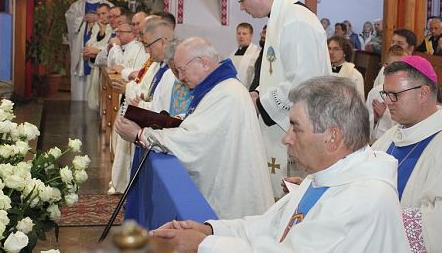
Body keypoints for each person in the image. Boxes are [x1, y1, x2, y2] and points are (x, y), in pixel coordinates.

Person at [150, 76, 411, 253]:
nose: (286, 139)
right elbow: (268, 226)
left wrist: (205, 244)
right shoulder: (323, 178)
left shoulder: (363, 198)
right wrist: (209, 228)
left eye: (296, 128)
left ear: (332, 137)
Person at [116, 37, 274, 219]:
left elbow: (194, 143)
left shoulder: (227, 93)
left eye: (182, 70)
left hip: (232, 200)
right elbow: (203, 121)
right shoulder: (220, 88)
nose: (181, 77)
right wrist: (180, 120)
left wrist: (140, 134)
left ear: (204, 63)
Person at [231, 0, 330, 198]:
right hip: (286, 123)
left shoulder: (295, 19)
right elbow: (276, 71)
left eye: (241, 1)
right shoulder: (279, 16)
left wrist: (261, 103)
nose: (242, 8)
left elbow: (304, 83)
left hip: (304, 128)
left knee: (292, 198)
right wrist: (257, 92)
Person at [372, 56, 442, 252]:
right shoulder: (392, 136)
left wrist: (383, 219)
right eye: (386, 94)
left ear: (423, 93)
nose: (388, 102)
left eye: (395, 95)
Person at [110, 20, 175, 194]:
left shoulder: (172, 71)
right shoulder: (159, 65)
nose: (146, 50)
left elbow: (169, 111)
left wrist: (143, 104)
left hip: (159, 138)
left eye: (148, 45)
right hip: (147, 132)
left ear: (163, 42)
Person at [65, 0, 111, 101]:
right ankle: (78, 100)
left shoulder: (107, 5)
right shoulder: (78, 5)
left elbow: (112, 22)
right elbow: (69, 17)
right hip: (81, 43)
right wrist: (82, 18)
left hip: (99, 45)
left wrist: (98, 17)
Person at [367, 45, 408, 142]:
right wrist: (376, 119)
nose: (399, 72)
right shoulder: (375, 93)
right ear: (385, 68)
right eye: (394, 67)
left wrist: (385, 116)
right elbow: (363, 127)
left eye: (403, 67)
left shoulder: (409, 93)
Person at [83, 3, 112, 110]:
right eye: (98, 14)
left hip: (107, 67)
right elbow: (90, 44)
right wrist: (101, 31)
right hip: (96, 67)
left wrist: (97, 50)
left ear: (110, 13)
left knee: (105, 100)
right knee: (96, 96)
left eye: (104, 13)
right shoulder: (96, 26)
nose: (101, 17)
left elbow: (106, 46)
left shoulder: (114, 28)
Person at [228, 23, 261, 88]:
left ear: (251, 36)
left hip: (248, 91)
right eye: (239, 33)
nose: (241, 36)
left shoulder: (257, 54)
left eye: (244, 34)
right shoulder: (231, 55)